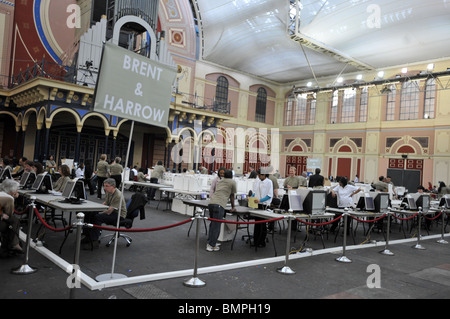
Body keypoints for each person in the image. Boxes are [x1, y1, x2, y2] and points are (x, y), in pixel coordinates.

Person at [83, 178, 127, 250]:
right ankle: (87, 236)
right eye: (104, 186)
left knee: (97, 217)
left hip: (119, 215)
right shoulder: (109, 192)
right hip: (112, 211)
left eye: (107, 186)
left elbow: (109, 211)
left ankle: (94, 241)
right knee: (89, 213)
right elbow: (105, 204)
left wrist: (98, 212)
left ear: (113, 186)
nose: (104, 188)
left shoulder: (118, 195)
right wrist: (95, 209)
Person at [207, 170, 236, 252]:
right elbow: (232, 195)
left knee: (213, 224)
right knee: (216, 226)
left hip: (211, 203)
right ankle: (211, 245)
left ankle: (211, 242)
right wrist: (233, 207)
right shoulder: (232, 182)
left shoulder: (219, 181)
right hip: (219, 205)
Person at [251, 169, 273, 247]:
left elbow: (269, 195)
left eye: (260, 175)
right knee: (257, 224)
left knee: (262, 225)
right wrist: (251, 197)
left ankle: (262, 242)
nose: (258, 176)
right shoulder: (258, 181)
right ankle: (256, 240)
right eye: (258, 175)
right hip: (258, 204)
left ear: (264, 175)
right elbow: (255, 192)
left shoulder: (269, 182)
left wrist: (260, 200)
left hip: (264, 205)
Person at [0, 179, 22, 257]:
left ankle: (11, 245)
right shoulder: (9, 198)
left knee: (11, 222)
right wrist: (15, 197)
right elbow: (9, 213)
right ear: (13, 191)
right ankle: (14, 244)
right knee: (13, 221)